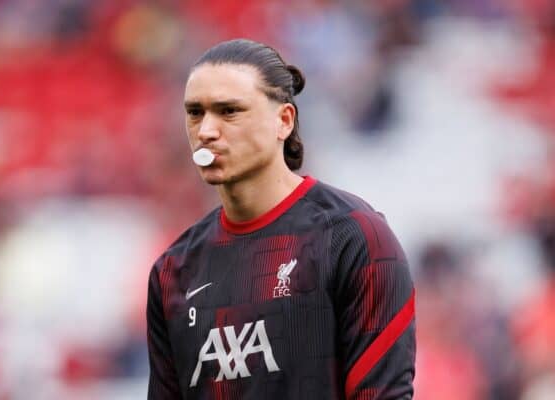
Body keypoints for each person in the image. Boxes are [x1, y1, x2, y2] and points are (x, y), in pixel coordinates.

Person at [147, 38, 416, 400]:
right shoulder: (173, 271)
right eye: (195, 113)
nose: (206, 131)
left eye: (229, 111)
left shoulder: (354, 239)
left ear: (283, 121)